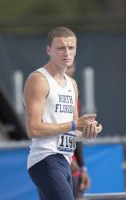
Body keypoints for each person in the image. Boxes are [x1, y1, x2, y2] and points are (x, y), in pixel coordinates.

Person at [23, 26, 102, 200]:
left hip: (66, 160)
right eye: (60, 48)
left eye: (71, 47)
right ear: (48, 50)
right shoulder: (38, 80)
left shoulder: (72, 84)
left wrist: (88, 132)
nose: (66, 53)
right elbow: (34, 129)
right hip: (44, 159)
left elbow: (73, 132)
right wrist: (75, 124)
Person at [65, 62, 90, 199]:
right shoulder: (46, 91)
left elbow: (74, 132)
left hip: (73, 166)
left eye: (70, 66)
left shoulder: (74, 93)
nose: (66, 69)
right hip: (55, 163)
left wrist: (83, 168)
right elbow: (43, 131)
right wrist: (66, 157)